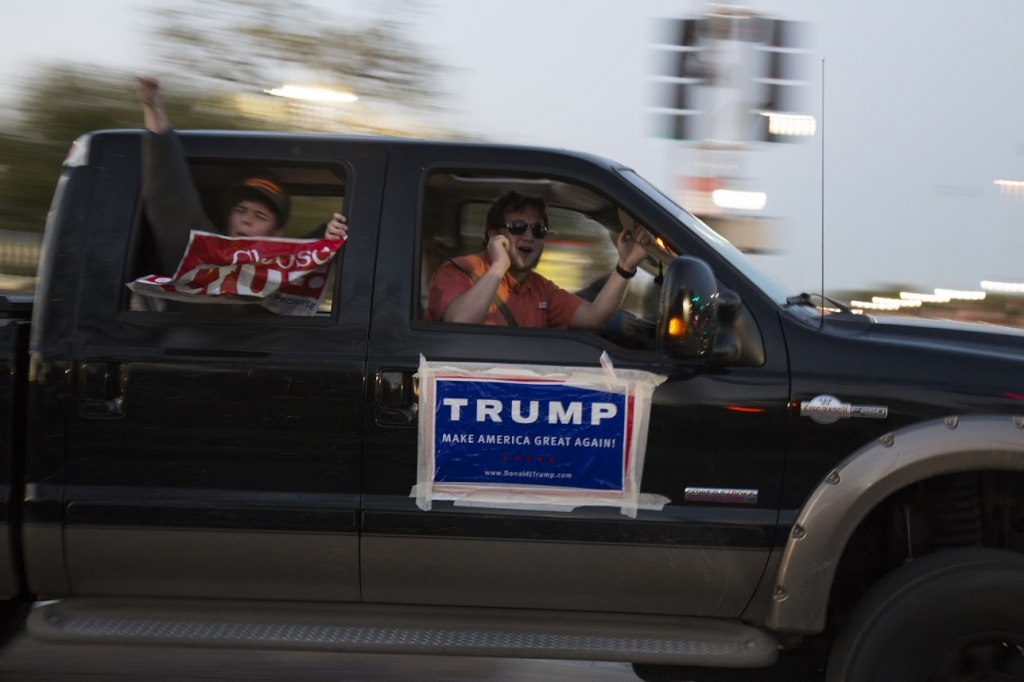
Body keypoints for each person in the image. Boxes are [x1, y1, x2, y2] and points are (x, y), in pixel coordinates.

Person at [135, 77, 348, 276]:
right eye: (241, 210)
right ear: (229, 217)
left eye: (260, 216)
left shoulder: (281, 276)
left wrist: (327, 237)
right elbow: (172, 198)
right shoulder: (200, 256)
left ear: (278, 234)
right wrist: (153, 108)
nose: (246, 220)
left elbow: (305, 254)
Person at [425, 190, 650, 329]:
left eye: (539, 230)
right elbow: (460, 324)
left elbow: (595, 317)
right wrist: (499, 266)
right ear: (494, 235)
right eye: (518, 227)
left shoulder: (541, 289)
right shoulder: (457, 272)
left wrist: (626, 266)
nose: (529, 236)